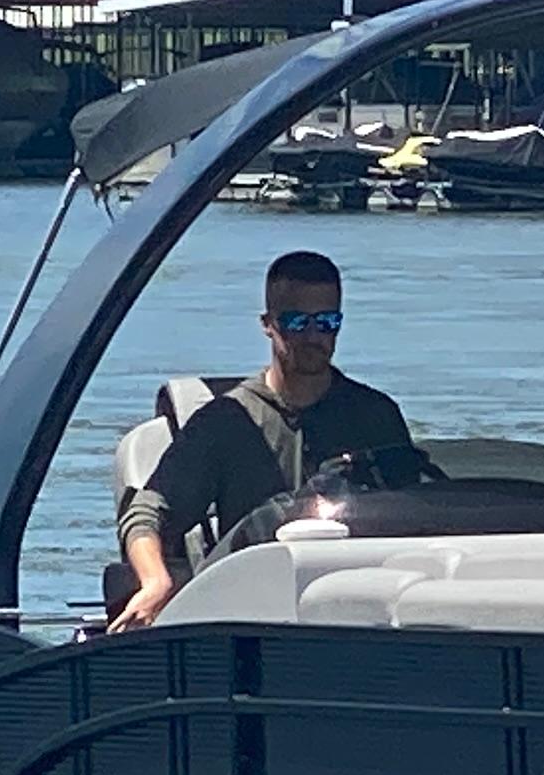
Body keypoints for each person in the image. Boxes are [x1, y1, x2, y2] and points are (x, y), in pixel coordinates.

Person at [108, 251, 414, 630]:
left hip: (361, 610)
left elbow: (417, 505)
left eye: (327, 322)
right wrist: (156, 582)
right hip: (256, 611)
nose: (313, 336)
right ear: (268, 324)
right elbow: (145, 514)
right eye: (296, 322)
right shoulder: (224, 423)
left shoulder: (376, 414)